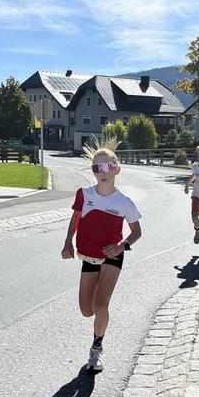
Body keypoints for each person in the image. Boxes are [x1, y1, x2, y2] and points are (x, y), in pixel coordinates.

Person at [61, 144, 142, 372]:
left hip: (112, 256)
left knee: (100, 305)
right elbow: (76, 218)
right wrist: (68, 242)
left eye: (106, 167)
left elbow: (137, 232)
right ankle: (99, 307)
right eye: (96, 168)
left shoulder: (124, 202)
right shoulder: (84, 194)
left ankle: (97, 348)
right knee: (87, 310)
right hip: (89, 256)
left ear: (117, 169)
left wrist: (121, 246)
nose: (101, 172)